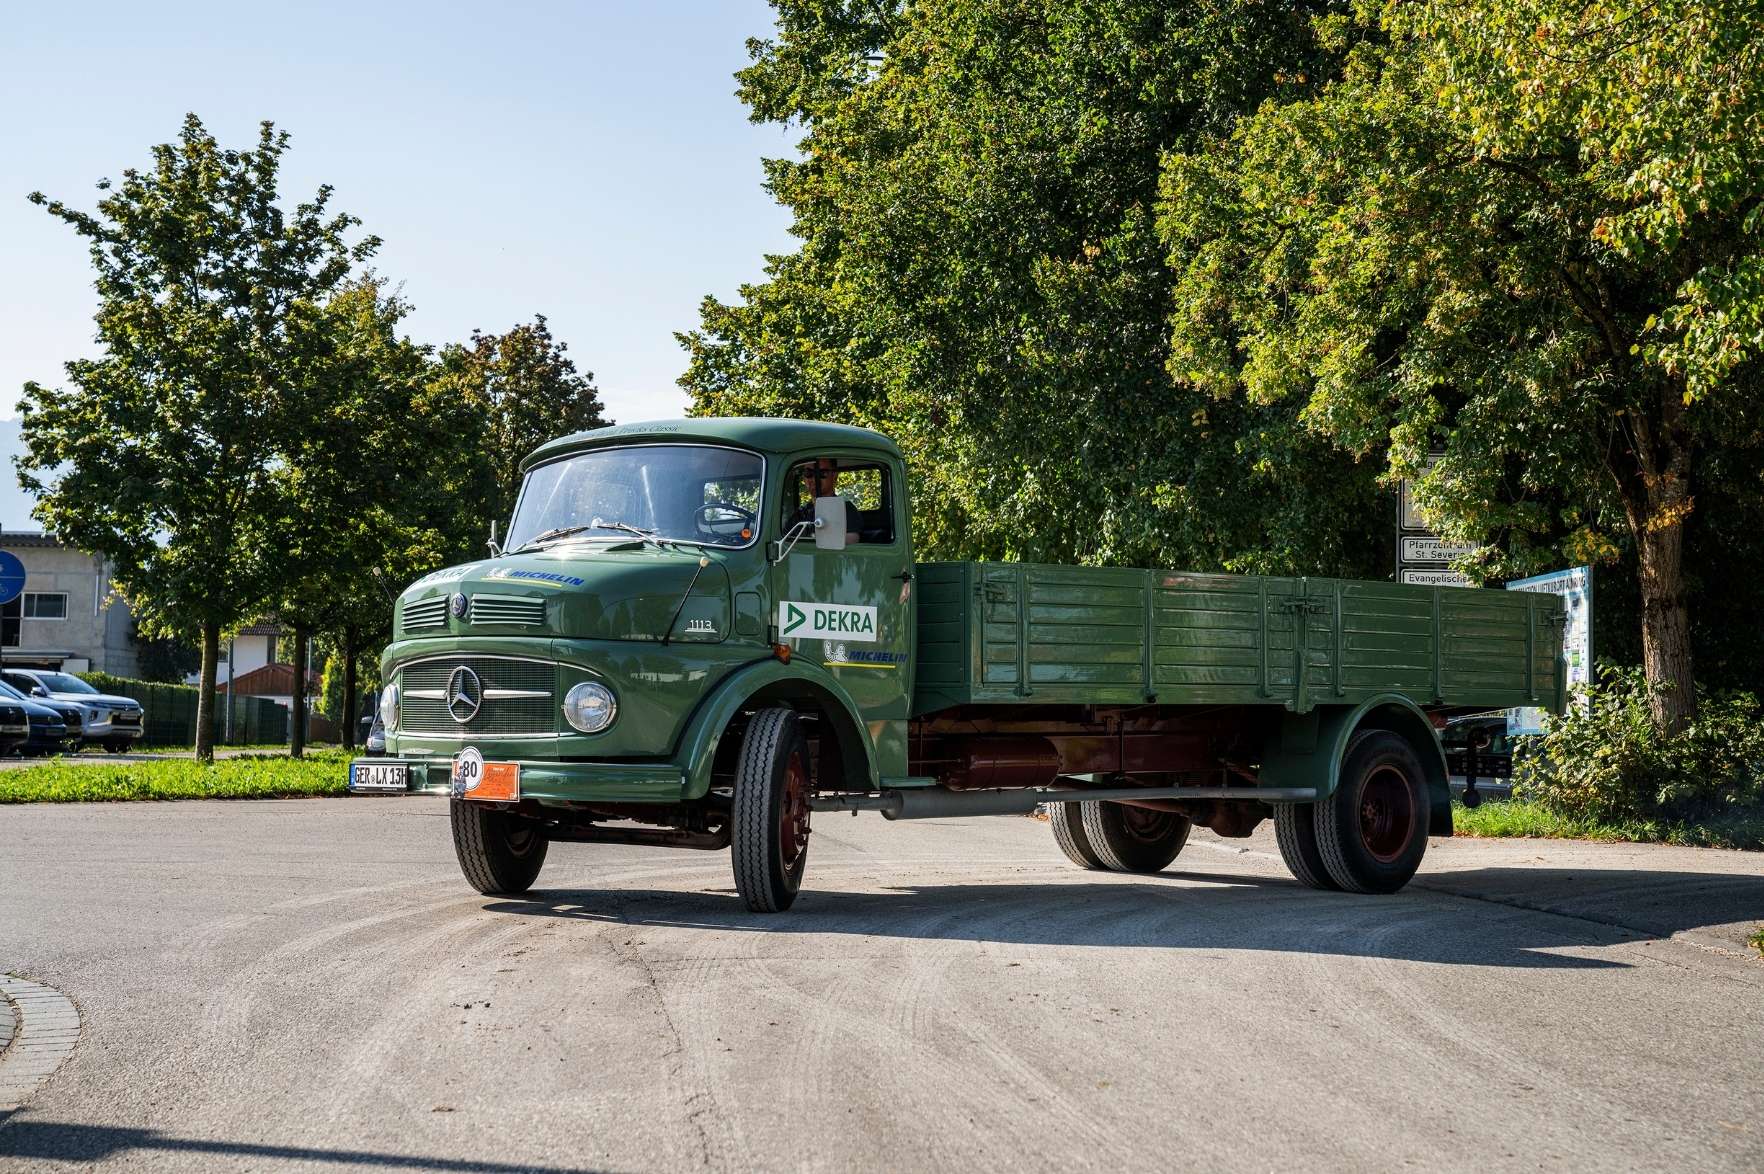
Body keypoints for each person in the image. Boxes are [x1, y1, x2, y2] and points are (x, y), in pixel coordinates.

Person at [790, 458, 861, 544]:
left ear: (834, 476)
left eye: (822, 473)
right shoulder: (801, 513)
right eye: (808, 473)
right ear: (804, 478)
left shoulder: (845, 509)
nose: (814, 479)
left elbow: (852, 539)